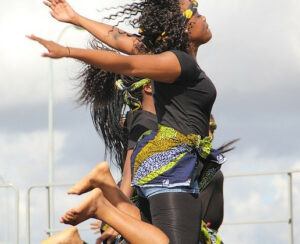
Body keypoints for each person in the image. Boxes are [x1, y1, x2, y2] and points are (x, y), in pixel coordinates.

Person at [29, 0, 219, 243]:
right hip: (172, 161)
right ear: (184, 27)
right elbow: (128, 63)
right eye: (198, 13)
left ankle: (82, 230)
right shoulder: (179, 63)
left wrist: (77, 18)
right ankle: (102, 207)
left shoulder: (169, 60)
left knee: (149, 227)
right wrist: (68, 51)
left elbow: (120, 39)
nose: (204, 18)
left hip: (169, 160)